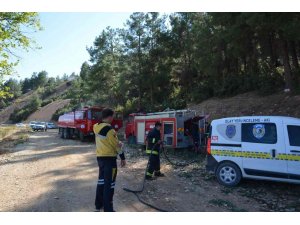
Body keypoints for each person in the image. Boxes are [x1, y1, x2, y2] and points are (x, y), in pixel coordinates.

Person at [93, 108, 126, 212]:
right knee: (109, 185)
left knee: (101, 182)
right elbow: (116, 146)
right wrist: (123, 157)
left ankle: (99, 205)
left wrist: (116, 141)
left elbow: (107, 141)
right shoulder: (110, 130)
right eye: (113, 116)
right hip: (109, 160)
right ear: (110, 116)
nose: (113, 118)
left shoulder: (96, 126)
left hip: (100, 159)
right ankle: (108, 209)